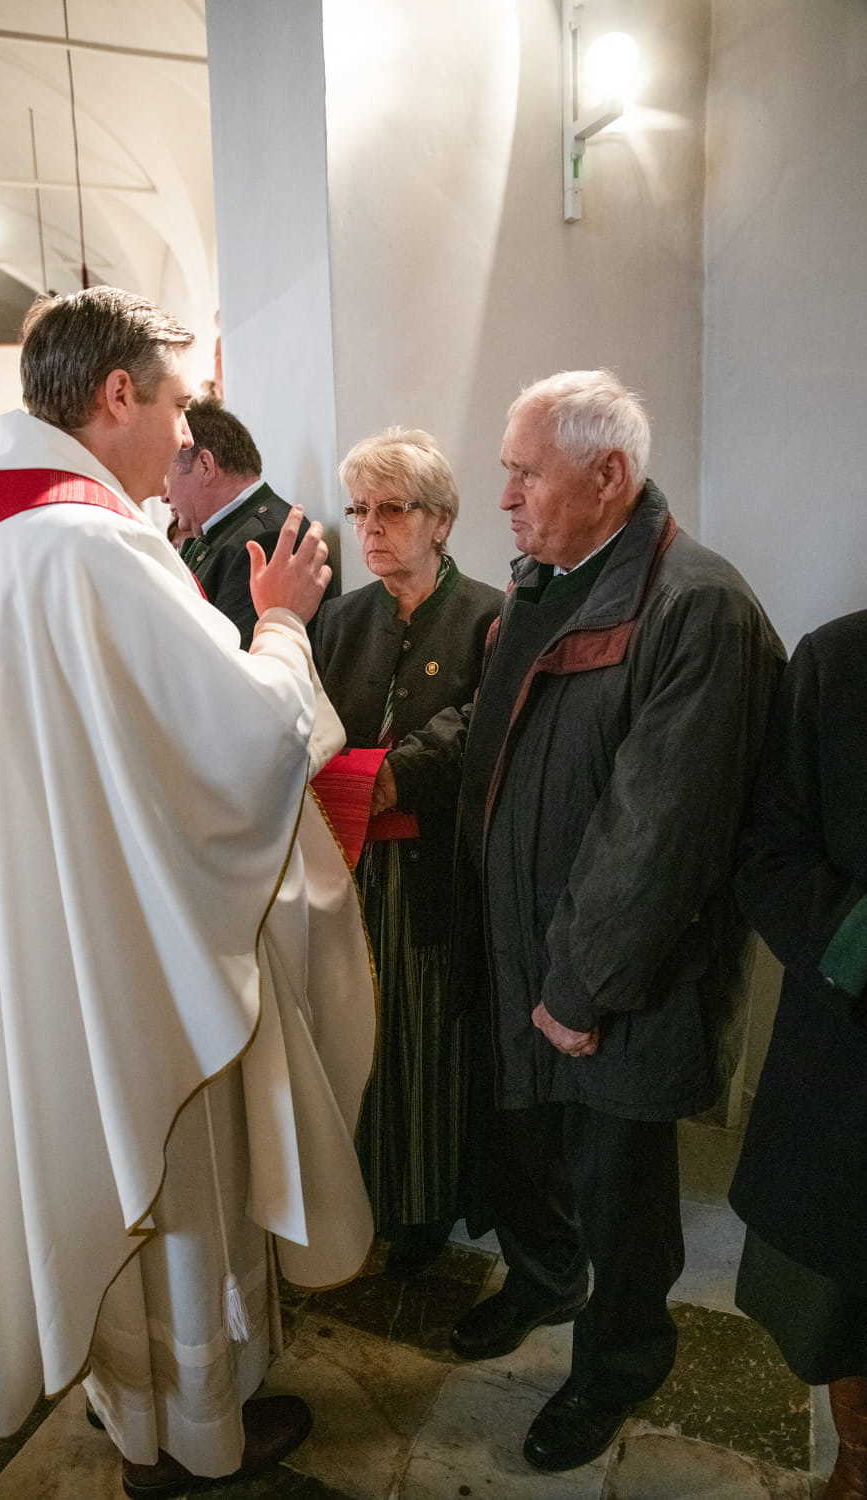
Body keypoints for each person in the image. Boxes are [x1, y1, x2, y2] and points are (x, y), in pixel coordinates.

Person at [0, 287, 375, 1499]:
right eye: (175, 402)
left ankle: (134, 1417)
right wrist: (282, 626)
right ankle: (198, 1438)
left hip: (43, 949)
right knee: (172, 1186)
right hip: (132, 961)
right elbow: (242, 742)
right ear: (118, 393)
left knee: (100, 1176)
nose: (183, 433)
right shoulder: (92, 547)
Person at [376, 370, 784, 1474]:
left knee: (620, 1195)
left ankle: (619, 1362)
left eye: (526, 474)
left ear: (609, 476)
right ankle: (545, 1282)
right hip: (520, 942)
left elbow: (662, 832)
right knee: (525, 1150)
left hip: (614, 979)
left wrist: (579, 987)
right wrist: (402, 770)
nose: (505, 496)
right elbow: (495, 719)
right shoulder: (547, 579)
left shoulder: (697, 605)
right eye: (505, 472)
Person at [312, 428, 502, 1274]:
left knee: (425, 1041)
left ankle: (422, 1212)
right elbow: (313, 716)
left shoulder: (490, 615)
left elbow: (486, 724)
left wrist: (400, 771)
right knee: (356, 1029)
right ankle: (360, 1194)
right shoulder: (343, 617)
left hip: (430, 867)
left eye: (393, 509)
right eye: (360, 510)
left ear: (442, 521)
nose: (372, 527)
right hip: (347, 861)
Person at [729, 608, 867, 1500]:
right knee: (844, 1298)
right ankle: (860, 1459)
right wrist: (866, 940)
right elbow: (768, 853)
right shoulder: (837, 664)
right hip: (855, 1051)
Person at [166, 398, 309, 647]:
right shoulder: (232, 530)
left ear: (205, 466)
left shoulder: (266, 538)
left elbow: (235, 654)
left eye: (167, 475)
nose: (163, 495)